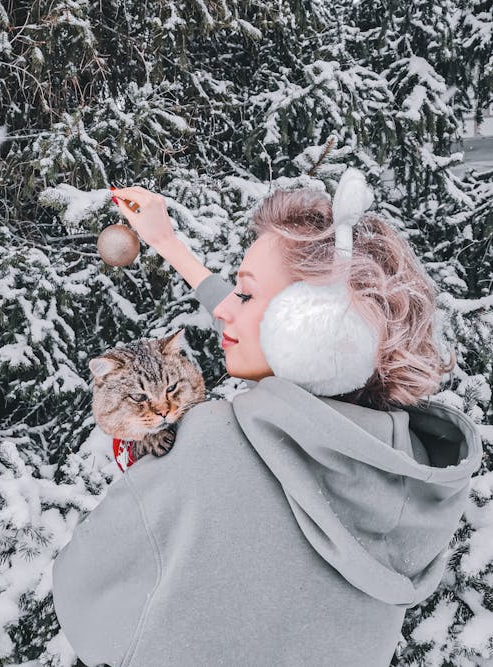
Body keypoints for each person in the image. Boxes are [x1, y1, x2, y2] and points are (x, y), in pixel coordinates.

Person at [52, 173, 483, 667]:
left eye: (246, 294)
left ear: (310, 324)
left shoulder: (213, 442)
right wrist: (168, 244)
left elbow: (83, 594)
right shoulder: (410, 468)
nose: (225, 313)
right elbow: (259, 325)